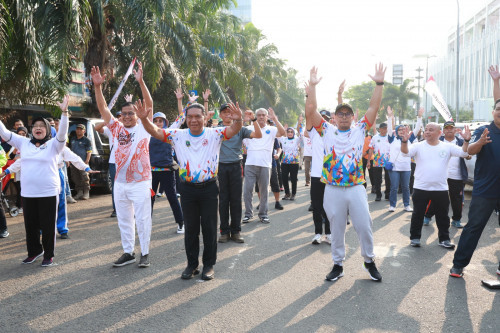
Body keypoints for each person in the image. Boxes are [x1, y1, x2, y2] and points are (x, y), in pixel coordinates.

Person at [137, 100, 243, 281]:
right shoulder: (177, 134)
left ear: (205, 117)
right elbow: (155, 131)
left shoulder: (215, 133)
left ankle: (208, 265)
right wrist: (144, 120)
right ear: (185, 118)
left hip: (209, 187)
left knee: (209, 228)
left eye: (197, 116)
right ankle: (192, 265)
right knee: (191, 229)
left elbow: (233, 130)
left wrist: (238, 120)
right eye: (190, 117)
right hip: (187, 189)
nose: (194, 120)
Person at [306, 64, 386, 282]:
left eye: (347, 114)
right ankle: (337, 264)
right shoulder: (327, 131)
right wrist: (312, 86)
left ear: (352, 117)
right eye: (340, 114)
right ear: (334, 116)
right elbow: (311, 111)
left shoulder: (360, 130)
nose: (343, 117)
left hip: (356, 187)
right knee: (337, 229)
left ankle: (369, 262)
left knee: (364, 226)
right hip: (332, 188)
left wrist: (379, 84)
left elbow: (373, 107)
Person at [90, 62, 154, 268]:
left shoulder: (145, 127)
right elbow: (102, 109)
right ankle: (129, 252)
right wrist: (98, 87)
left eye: (131, 113)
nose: (127, 116)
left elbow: (149, 104)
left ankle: (144, 253)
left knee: (143, 219)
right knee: (124, 220)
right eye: (124, 114)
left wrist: (141, 82)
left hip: (141, 182)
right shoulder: (116, 128)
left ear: (137, 114)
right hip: (120, 182)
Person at [0, 96, 69, 266]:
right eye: (35, 126)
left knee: (47, 226)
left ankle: (48, 255)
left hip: (48, 192)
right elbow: (4, 133)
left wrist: (65, 113)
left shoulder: (54, 144)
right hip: (28, 192)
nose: (38, 128)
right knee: (30, 226)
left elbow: (62, 134)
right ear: (32, 130)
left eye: (42, 126)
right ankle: (34, 251)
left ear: (47, 129)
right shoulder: (24, 143)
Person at [450, 65, 500, 278]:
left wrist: (497, 82)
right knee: (474, 227)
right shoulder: (484, 130)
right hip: (485, 190)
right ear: (493, 112)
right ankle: (458, 265)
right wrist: (478, 141)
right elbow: (469, 151)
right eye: (497, 110)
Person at [400, 123, 470, 249]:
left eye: (431, 130)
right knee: (418, 214)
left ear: (439, 133)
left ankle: (444, 239)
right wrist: (404, 141)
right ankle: (415, 238)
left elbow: (464, 153)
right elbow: (405, 153)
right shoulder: (418, 145)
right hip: (421, 187)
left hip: (441, 188)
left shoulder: (447, 146)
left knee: (443, 216)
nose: (427, 132)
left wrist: (466, 140)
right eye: (426, 130)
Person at [218, 104, 262, 244]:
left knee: (236, 199)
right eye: (224, 112)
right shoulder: (216, 130)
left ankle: (236, 231)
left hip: (236, 166)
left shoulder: (241, 129)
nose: (227, 115)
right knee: (223, 199)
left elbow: (258, 135)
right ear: (220, 115)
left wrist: (254, 119)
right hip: (221, 167)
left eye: (229, 112)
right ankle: (224, 232)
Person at [242, 108, 285, 224]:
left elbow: (282, 133)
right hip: (250, 164)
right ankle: (248, 214)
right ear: (255, 116)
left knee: (264, 190)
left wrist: (275, 118)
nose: (261, 117)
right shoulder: (248, 129)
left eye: (263, 115)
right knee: (247, 190)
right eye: (259, 115)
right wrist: (244, 120)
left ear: (267, 117)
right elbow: (238, 135)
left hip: (265, 164)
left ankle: (263, 214)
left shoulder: (271, 129)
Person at [424, 120, 470, 228]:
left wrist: (468, 155)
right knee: (436, 198)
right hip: (440, 175)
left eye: (451, 128)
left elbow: (468, 154)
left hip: (457, 176)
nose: (449, 130)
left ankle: (456, 220)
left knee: (457, 200)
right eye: (447, 129)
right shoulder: (437, 141)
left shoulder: (461, 142)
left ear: (455, 130)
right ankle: (427, 216)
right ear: (443, 131)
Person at [149, 111, 185, 234]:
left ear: (165, 122)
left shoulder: (169, 132)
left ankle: (181, 223)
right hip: (152, 172)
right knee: (149, 198)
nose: (158, 123)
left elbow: (180, 119)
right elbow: (137, 120)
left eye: (161, 121)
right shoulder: (147, 133)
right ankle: (146, 224)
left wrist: (187, 103)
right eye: (155, 121)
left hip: (167, 171)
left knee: (172, 197)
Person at [386, 106, 423, 212]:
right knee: (394, 187)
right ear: (396, 131)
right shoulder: (392, 138)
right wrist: (389, 117)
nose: (402, 131)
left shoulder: (410, 139)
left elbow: (416, 129)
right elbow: (389, 129)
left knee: (406, 187)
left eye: (403, 129)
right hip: (394, 168)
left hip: (406, 167)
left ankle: (406, 205)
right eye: (399, 130)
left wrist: (419, 117)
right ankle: (392, 205)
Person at [306, 110, 331, 245]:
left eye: (325, 119)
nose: (323, 121)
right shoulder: (313, 134)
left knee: (329, 207)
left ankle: (329, 233)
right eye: (321, 118)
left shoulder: (333, 133)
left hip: (330, 177)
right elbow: (308, 115)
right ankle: (317, 234)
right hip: (316, 175)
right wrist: (308, 98)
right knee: (317, 206)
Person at [368, 122, 391, 201]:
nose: (385, 130)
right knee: (378, 179)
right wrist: (368, 161)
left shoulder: (390, 137)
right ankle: (378, 195)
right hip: (377, 161)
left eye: (386, 128)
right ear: (380, 129)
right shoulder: (374, 137)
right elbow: (371, 149)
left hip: (388, 161)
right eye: (383, 128)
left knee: (388, 178)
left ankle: (387, 194)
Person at [70, 124, 92, 200]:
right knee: (75, 177)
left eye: (80, 129)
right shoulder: (73, 139)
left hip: (83, 162)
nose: (79, 130)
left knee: (85, 177)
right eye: (77, 129)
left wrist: (87, 161)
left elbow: (89, 151)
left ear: (84, 131)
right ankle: (79, 192)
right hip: (74, 162)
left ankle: (86, 192)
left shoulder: (86, 140)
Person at [280, 124, 302, 201]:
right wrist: (283, 129)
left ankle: (293, 194)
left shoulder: (296, 139)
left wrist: (299, 123)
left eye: (291, 132)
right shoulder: (283, 139)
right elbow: (278, 133)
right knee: (284, 178)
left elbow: (301, 134)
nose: (289, 133)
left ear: (293, 133)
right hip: (284, 162)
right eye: (288, 132)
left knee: (293, 179)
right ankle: (287, 193)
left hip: (294, 163)